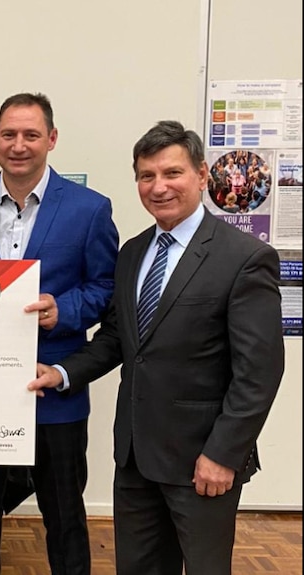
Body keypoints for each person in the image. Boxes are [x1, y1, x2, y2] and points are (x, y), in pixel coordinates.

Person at [28, 120, 284, 575]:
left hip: (202, 462)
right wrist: (62, 372)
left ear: (202, 175)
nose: (159, 187)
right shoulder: (132, 252)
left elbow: (259, 372)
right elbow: (118, 340)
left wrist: (224, 454)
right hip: (135, 458)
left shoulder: (243, 257)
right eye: (147, 176)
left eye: (172, 173)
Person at [0, 92, 119, 575]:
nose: (18, 145)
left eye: (30, 134)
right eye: (9, 134)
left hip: (56, 385)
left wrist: (63, 310)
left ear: (52, 139)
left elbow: (106, 288)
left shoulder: (89, 209)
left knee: (63, 511)